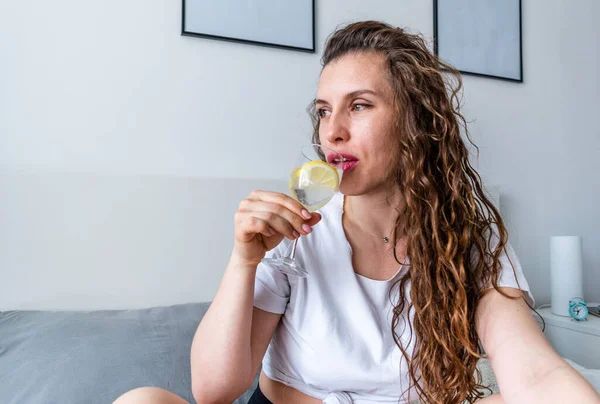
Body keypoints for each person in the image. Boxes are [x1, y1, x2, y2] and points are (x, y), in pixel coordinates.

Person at [114, 21, 600, 404]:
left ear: (415, 121)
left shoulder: (469, 241)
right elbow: (214, 390)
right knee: (143, 401)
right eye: (324, 111)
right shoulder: (294, 231)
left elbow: (534, 373)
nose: (333, 132)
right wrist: (244, 260)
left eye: (359, 106)